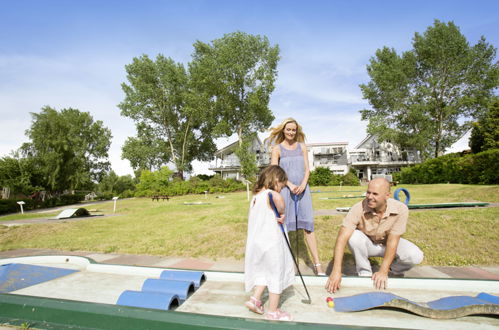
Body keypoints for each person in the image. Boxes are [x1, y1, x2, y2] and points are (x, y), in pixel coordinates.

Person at [326, 177, 424, 293]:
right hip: (369, 245)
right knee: (353, 237)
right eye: (368, 192)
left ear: (387, 196)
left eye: (375, 194)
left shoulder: (401, 209)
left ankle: (393, 272)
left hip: (388, 244)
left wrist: (383, 270)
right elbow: (342, 238)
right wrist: (336, 271)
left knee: (415, 255)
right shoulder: (358, 208)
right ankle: (365, 273)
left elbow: (393, 241)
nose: (369, 197)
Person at [267, 118, 325, 276]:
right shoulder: (277, 149)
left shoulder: (302, 147)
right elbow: (274, 172)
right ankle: (287, 265)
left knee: (308, 227)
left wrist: (304, 184)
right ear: (283, 130)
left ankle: (318, 266)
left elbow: (307, 169)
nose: (291, 132)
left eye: (294, 130)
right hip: (286, 190)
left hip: (303, 191)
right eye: (288, 129)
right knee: (285, 228)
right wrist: (290, 184)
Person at [244, 165, 294, 321]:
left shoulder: (255, 197)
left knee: (263, 272)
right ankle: (273, 311)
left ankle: (255, 299)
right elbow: (280, 205)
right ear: (276, 180)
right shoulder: (272, 194)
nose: (281, 189)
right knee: (275, 274)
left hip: (258, 243)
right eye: (282, 186)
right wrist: (283, 213)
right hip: (272, 243)